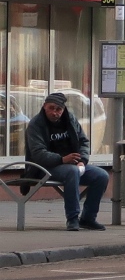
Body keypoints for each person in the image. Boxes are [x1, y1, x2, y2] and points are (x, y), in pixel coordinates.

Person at [25, 92, 109, 231]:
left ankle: (88, 218)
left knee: (101, 176)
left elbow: (83, 141)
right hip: (44, 168)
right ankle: (72, 218)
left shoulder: (70, 119)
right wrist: (62, 159)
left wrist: (82, 160)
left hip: (72, 164)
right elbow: (38, 154)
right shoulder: (36, 124)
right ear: (44, 106)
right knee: (72, 172)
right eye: (51, 108)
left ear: (63, 109)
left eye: (58, 109)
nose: (55, 112)